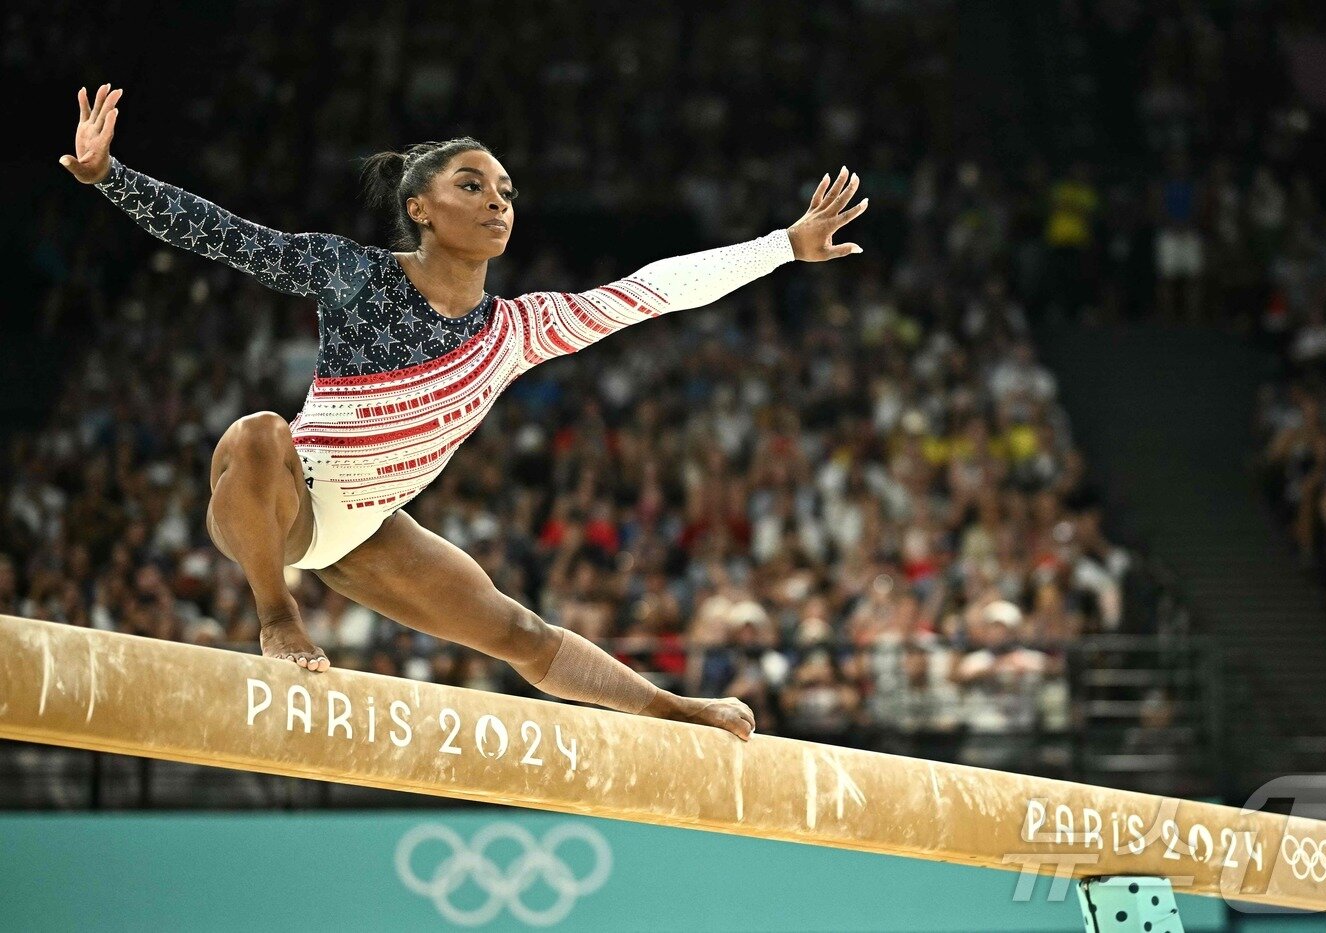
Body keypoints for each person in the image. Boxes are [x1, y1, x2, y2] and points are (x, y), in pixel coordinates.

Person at [59, 83, 869, 741]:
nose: (497, 203)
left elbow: (651, 291)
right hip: (278, 508)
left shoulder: (517, 330)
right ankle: (277, 613)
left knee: (519, 633)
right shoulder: (355, 275)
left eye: (506, 192)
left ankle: (672, 708)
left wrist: (782, 246)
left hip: (367, 532)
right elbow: (227, 236)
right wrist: (108, 176)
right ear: (419, 206)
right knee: (258, 433)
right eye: (472, 186)